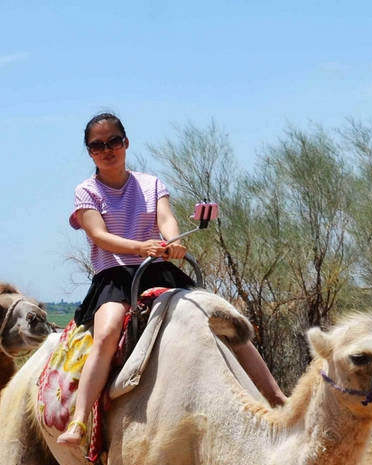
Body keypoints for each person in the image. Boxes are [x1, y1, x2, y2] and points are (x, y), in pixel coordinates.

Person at [56, 113, 286, 446]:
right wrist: (139, 246)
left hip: (156, 269)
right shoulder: (86, 191)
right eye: (98, 145)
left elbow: (165, 218)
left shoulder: (151, 184)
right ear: (90, 152)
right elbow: (99, 235)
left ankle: (277, 398)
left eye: (114, 141)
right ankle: (79, 420)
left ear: (126, 143)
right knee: (107, 333)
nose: (107, 150)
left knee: (221, 318)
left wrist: (172, 241)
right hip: (114, 276)